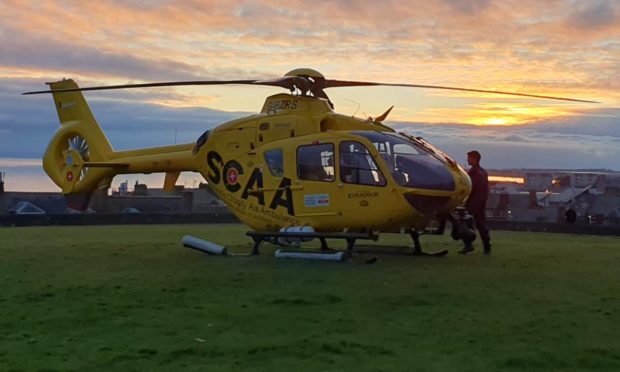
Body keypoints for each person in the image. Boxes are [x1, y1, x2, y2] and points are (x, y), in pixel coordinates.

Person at [460, 150, 491, 254]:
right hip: (481, 203)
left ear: (474, 159)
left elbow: (470, 188)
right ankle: (487, 247)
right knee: (481, 225)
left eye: (469, 158)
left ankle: (468, 245)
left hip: (472, 203)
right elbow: (486, 189)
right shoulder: (483, 172)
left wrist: (465, 201)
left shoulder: (473, 172)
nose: (467, 160)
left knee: (464, 225)